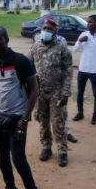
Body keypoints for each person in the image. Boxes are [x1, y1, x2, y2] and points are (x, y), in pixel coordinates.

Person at [0, 27, 41, 189]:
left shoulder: (20, 61)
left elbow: (34, 90)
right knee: (2, 158)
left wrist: (25, 119)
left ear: (6, 40)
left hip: (17, 118)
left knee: (17, 158)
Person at [28, 18, 73, 167]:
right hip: (40, 92)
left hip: (57, 92)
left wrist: (65, 92)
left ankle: (62, 151)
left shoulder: (62, 49)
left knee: (58, 122)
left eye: (49, 29)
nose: (46, 31)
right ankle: (46, 147)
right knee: (43, 121)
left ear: (55, 32)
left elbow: (68, 71)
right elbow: (28, 67)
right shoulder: (35, 48)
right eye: (44, 28)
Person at [72, 14, 96, 125]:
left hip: (94, 71)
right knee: (80, 92)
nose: (88, 24)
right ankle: (80, 113)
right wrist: (80, 41)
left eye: (91, 22)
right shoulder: (83, 34)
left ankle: (95, 116)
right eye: (88, 22)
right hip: (82, 69)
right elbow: (74, 50)